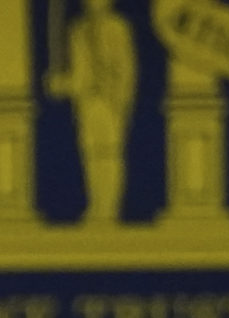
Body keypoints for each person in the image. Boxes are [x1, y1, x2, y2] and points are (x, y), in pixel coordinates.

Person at [48, 0, 138, 223]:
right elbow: (79, 72)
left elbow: (126, 67)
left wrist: (119, 98)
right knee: (91, 154)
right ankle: (97, 204)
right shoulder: (77, 30)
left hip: (110, 99)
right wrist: (63, 84)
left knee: (109, 152)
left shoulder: (118, 27)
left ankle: (109, 207)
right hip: (87, 101)